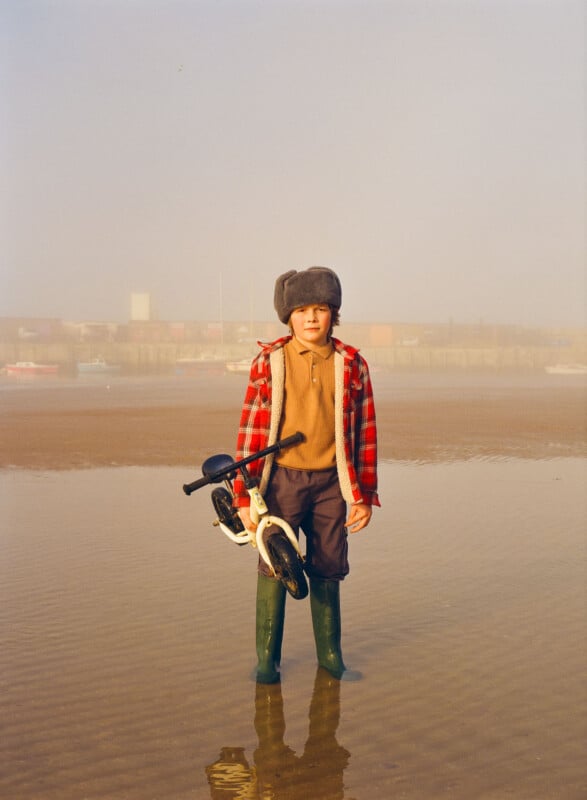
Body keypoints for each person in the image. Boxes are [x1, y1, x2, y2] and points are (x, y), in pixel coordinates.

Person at [233, 266, 379, 682]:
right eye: (301, 310)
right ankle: (267, 661)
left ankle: (331, 657)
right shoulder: (269, 361)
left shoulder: (352, 364)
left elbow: (365, 432)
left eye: (320, 309)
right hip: (280, 483)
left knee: (329, 566)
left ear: (333, 314)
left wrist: (363, 495)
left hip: (333, 483)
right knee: (274, 562)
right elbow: (250, 433)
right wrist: (245, 498)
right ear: (288, 316)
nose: (311, 318)